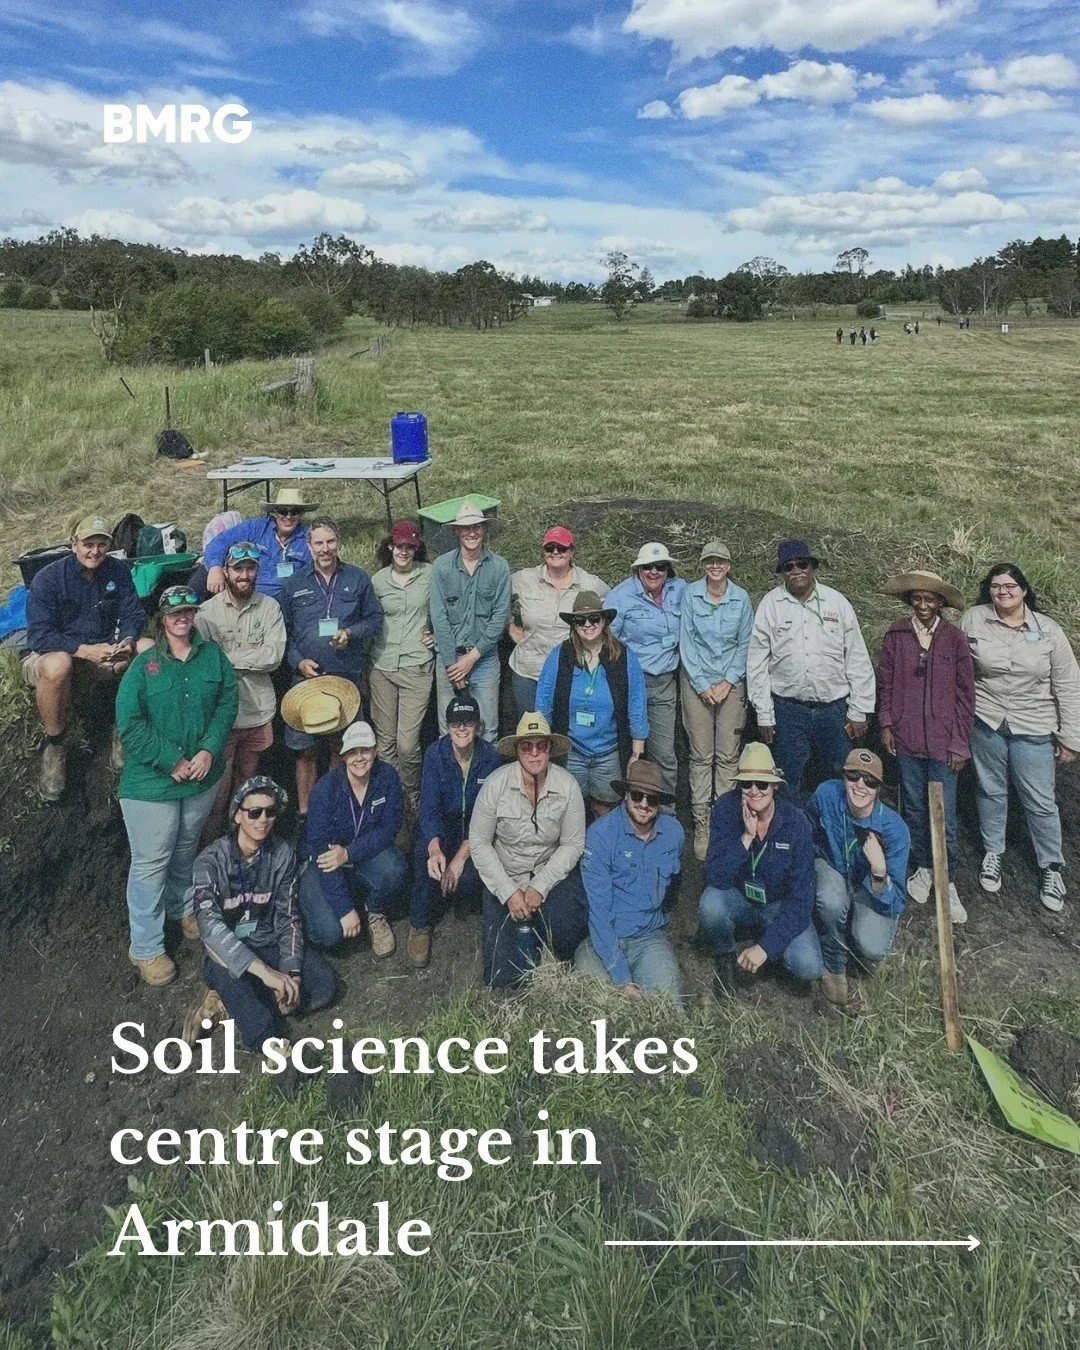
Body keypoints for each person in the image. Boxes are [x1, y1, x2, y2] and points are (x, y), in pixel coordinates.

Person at [115, 585, 239, 986]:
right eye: (174, 612)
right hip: (152, 783)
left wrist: (209, 750)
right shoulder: (144, 666)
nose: (182, 617)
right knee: (152, 861)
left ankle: (182, 907)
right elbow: (130, 724)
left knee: (186, 846)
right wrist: (170, 760)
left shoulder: (212, 657)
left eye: (188, 610)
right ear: (162, 619)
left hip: (201, 777)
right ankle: (146, 947)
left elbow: (226, 703)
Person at [961, 564, 1080, 911]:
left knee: (1040, 800)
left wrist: (1071, 738)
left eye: (1010, 585)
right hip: (987, 721)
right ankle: (993, 852)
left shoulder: (1049, 631)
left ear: (1024, 590)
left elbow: (1068, 685)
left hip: (1034, 725)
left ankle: (1051, 867)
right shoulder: (974, 619)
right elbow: (957, 665)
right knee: (990, 789)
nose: (1003, 591)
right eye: (996, 586)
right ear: (989, 591)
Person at [192, 776, 336, 1051]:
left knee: (324, 985)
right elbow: (210, 927)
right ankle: (269, 1043)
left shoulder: (282, 854)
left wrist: (291, 971)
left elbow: (288, 918)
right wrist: (267, 974)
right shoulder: (210, 862)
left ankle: (232, 1002)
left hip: (267, 941)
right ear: (237, 816)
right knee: (236, 986)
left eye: (270, 812)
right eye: (254, 812)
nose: (263, 820)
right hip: (228, 951)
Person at [22, 514, 149, 800]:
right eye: (88, 544)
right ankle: (54, 745)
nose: (95, 551)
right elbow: (39, 636)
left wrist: (127, 640)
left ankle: (125, 730)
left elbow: (134, 614)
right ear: (74, 544)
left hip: (103, 652)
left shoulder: (117, 571)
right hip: (55, 654)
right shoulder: (49, 579)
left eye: (101, 544)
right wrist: (82, 649)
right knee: (58, 665)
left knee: (148, 648)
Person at [747, 539, 875, 799]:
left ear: (812, 567)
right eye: (788, 567)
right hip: (788, 711)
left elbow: (857, 658)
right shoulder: (771, 605)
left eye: (801, 564)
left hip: (834, 711)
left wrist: (860, 708)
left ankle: (837, 837)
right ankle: (792, 837)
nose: (796, 571)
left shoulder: (836, 603)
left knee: (840, 779)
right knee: (786, 781)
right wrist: (763, 712)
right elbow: (757, 662)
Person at [878, 569, 973, 923]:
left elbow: (966, 695)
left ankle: (945, 879)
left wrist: (960, 742)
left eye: (929, 599)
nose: (922, 605)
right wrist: (887, 723)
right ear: (909, 601)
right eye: (917, 598)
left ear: (940, 604)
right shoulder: (897, 634)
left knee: (943, 813)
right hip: (907, 739)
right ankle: (921, 867)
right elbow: (885, 682)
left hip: (944, 741)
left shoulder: (954, 639)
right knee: (915, 808)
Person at [470, 712, 588, 987]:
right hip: (507, 875)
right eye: (526, 746)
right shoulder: (495, 785)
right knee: (500, 978)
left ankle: (545, 942)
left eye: (541, 746)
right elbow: (478, 841)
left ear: (549, 750)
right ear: (517, 750)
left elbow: (573, 844)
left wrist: (540, 886)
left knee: (569, 933)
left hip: (550, 876)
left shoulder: (568, 786)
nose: (534, 754)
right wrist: (509, 892)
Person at [698, 742, 822, 997]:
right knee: (710, 904)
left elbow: (802, 900)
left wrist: (765, 947)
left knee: (808, 966)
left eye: (762, 784)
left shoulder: (796, 823)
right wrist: (745, 837)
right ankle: (725, 954)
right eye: (746, 784)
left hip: (779, 905)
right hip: (740, 897)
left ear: (775, 786)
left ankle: (769, 954)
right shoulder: (725, 809)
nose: (754, 791)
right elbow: (715, 876)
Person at [279, 515, 383, 816]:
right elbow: (283, 631)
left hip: (344, 679)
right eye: (318, 543)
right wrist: (297, 661)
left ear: (338, 543)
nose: (325, 548)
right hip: (306, 681)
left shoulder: (358, 579)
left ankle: (339, 810)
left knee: (344, 747)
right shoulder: (294, 583)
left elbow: (374, 619)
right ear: (309, 547)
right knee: (305, 751)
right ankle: (306, 814)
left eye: (330, 542)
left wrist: (351, 633)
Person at [194, 541, 287, 843]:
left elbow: (273, 657)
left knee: (244, 792)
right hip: (221, 718)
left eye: (250, 568)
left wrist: (230, 661)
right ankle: (209, 854)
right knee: (217, 797)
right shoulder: (206, 613)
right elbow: (205, 664)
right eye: (238, 568)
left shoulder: (270, 607)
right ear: (227, 570)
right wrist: (251, 658)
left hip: (258, 711)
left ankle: (240, 850)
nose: (244, 575)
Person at [574, 759, 686, 1008]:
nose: (644, 804)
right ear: (626, 795)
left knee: (669, 1004)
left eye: (652, 799)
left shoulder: (674, 833)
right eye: (637, 796)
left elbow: (673, 885)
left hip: (648, 938)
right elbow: (599, 913)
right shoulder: (600, 835)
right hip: (603, 939)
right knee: (594, 1003)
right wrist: (623, 979)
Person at [807, 749, 910, 1008]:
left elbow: (897, 898)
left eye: (870, 781)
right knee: (830, 900)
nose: (860, 785)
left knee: (872, 947)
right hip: (832, 866)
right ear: (843, 777)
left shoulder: (895, 830)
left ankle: (855, 932)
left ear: (878, 788)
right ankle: (834, 963)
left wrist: (878, 870)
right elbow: (807, 826)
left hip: (869, 885)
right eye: (853, 776)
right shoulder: (826, 795)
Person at [408, 695, 502, 968]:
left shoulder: (490, 757)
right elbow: (428, 808)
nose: (462, 729)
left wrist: (461, 856)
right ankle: (420, 923)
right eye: (456, 723)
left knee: (471, 878)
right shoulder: (435, 755)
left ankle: (463, 899)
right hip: (443, 828)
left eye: (468, 722)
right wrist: (435, 847)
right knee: (424, 859)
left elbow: (489, 814)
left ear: (477, 726)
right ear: (448, 727)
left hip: (475, 833)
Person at [300, 720, 407, 957]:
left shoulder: (387, 778)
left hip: (360, 857)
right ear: (343, 755)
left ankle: (375, 910)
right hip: (323, 866)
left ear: (375, 751)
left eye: (365, 750)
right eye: (353, 752)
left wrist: (348, 853)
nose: (359, 758)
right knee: (329, 933)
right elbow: (322, 856)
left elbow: (390, 829)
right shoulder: (325, 791)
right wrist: (344, 909)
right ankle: (323, 906)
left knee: (394, 868)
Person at [536, 591, 648, 818]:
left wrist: (636, 755)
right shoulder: (560, 655)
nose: (588, 625)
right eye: (580, 620)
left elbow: (637, 705)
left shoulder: (624, 656)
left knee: (605, 811)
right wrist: (542, 746)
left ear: (604, 620)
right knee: (568, 811)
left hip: (609, 751)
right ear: (573, 625)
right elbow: (543, 702)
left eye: (594, 619)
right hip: (570, 749)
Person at [679, 539, 753, 860]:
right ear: (703, 565)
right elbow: (687, 640)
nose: (715, 566)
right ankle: (702, 821)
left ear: (728, 566)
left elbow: (745, 643)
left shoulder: (741, 599)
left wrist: (728, 680)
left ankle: (724, 817)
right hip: (697, 681)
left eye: (720, 561)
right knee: (700, 754)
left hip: (731, 683)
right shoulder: (690, 595)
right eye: (710, 561)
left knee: (727, 754)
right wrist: (701, 682)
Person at [608, 542, 687, 804]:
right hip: (631, 681)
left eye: (661, 566)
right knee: (625, 749)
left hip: (665, 682)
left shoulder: (681, 590)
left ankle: (667, 813)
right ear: (637, 569)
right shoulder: (620, 596)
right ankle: (624, 809)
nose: (654, 572)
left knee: (665, 753)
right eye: (647, 567)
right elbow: (607, 639)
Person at [429, 501, 512, 741]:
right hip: (449, 660)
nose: (472, 533)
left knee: (487, 730)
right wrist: (453, 664)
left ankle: (485, 779)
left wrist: (473, 657)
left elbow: (499, 616)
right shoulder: (442, 567)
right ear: (456, 532)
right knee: (449, 730)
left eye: (476, 527)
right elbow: (439, 617)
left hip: (484, 661)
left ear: (484, 529)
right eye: (466, 528)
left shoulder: (499, 567)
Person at [508, 526, 609, 719]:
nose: (555, 552)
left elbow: (612, 608)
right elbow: (496, 595)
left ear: (572, 551)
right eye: (550, 548)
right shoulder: (524, 579)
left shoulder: (591, 584)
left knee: (563, 728)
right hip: (529, 670)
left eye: (561, 548)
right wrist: (510, 625)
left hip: (570, 669)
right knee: (531, 729)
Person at [368, 520, 434, 816]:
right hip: (381, 665)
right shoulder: (378, 580)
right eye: (399, 546)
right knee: (385, 742)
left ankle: (412, 792)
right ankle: (393, 796)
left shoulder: (431, 575)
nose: (403, 552)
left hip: (416, 664)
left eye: (410, 547)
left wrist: (436, 633)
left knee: (407, 743)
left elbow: (444, 609)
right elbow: (369, 618)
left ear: (416, 548)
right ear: (390, 547)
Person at [202, 488, 314, 600]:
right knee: (202, 575)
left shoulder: (308, 537)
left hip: (289, 598)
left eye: (294, 512)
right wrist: (215, 567)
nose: (288, 516)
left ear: (301, 514)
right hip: (250, 594)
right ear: (275, 512)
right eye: (283, 511)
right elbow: (220, 541)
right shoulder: (255, 527)